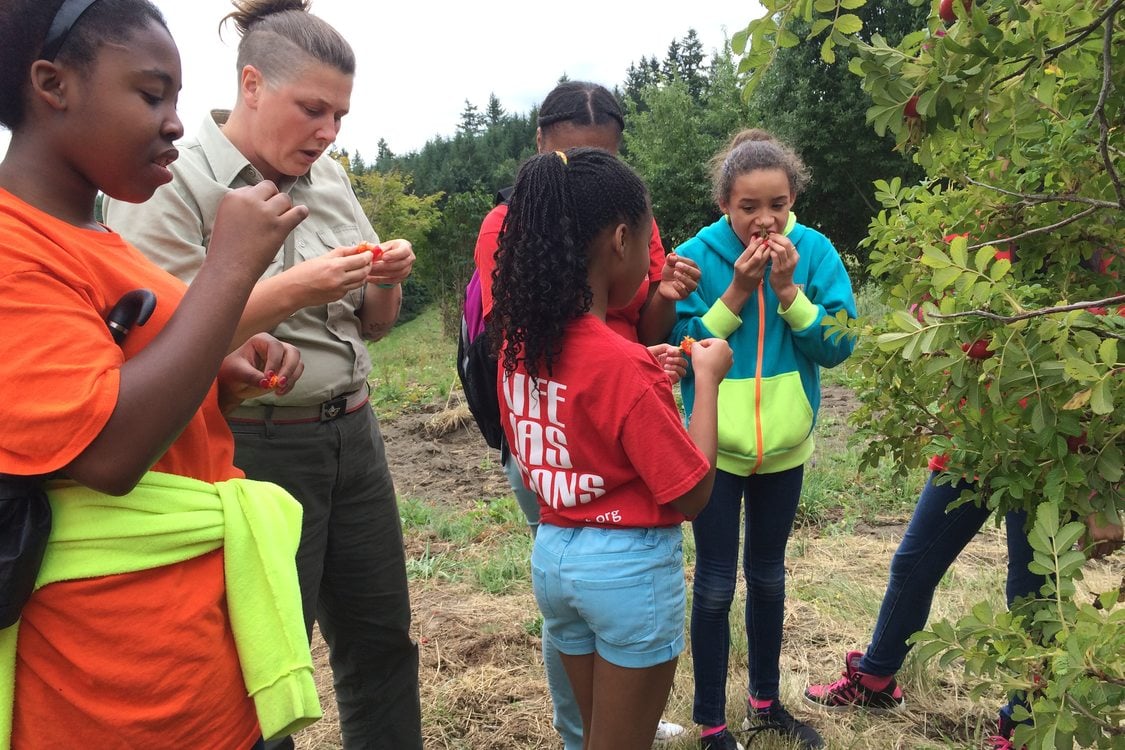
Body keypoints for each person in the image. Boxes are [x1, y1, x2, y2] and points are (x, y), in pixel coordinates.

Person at [103, 1, 421, 748]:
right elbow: (160, 343)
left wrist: (385, 278)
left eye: (340, 115)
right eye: (312, 109)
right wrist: (295, 287)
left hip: (354, 435)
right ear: (251, 85)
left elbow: (372, 325)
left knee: (381, 641)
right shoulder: (174, 181)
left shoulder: (330, 179)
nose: (328, 132)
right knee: (258, 665)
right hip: (250, 446)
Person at [0, 0, 318, 747]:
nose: (175, 121)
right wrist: (231, 267)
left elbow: (121, 390)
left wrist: (214, 376)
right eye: (151, 94)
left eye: (175, 97)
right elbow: (106, 454)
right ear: (53, 85)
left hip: (189, 645)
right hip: (111, 677)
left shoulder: (97, 236)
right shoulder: (14, 248)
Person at [471, 80, 700, 748]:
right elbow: (689, 492)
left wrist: (659, 301)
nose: (589, 175)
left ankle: (606, 724)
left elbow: (619, 317)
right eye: (576, 159)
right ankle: (596, 728)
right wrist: (693, 383)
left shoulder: (539, 345)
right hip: (596, 444)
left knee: (579, 618)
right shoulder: (504, 227)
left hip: (572, 492)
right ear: (542, 146)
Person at [670, 129, 858, 750]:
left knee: (770, 575)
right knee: (717, 582)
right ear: (724, 202)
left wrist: (786, 294)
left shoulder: (815, 251)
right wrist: (737, 292)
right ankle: (711, 722)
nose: (763, 220)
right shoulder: (697, 254)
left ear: (792, 198)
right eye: (748, 206)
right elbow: (682, 345)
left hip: (785, 448)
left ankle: (766, 702)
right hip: (713, 448)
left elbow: (837, 344)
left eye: (775, 204)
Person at [803, 445, 1123, 748]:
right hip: (972, 447)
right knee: (913, 566)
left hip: (1046, 461)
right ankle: (874, 680)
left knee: (1032, 601)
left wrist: (1097, 495)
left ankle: (1025, 728)